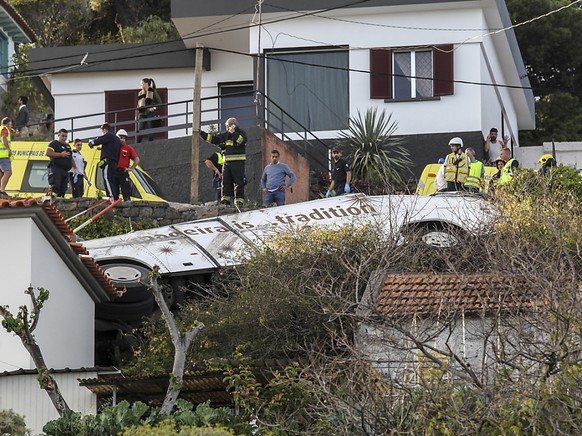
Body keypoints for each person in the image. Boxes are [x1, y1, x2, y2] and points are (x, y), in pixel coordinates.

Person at [200, 117, 247, 206]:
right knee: (226, 182)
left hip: (238, 162)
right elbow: (214, 139)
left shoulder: (241, 133)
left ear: (233, 125)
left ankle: (239, 201)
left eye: (227, 125)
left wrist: (233, 133)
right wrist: (202, 134)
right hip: (227, 163)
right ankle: (225, 200)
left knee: (238, 182)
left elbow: (242, 141)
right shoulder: (225, 135)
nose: (226, 127)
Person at [89, 123, 122, 200]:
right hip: (115, 162)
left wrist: (91, 143)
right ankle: (115, 196)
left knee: (107, 178)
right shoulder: (117, 139)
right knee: (113, 180)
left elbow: (98, 140)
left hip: (108, 161)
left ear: (105, 129)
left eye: (102, 131)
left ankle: (111, 196)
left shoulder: (109, 135)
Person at [46, 128, 73, 197]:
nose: (64, 138)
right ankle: (53, 200)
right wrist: (60, 154)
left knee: (63, 188)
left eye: (65, 136)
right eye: (62, 136)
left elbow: (70, 157)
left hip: (65, 170)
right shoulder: (54, 143)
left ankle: (61, 198)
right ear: (58, 135)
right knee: (55, 186)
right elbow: (48, 153)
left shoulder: (67, 146)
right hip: (56, 168)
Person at [114, 129, 140, 201]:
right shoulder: (113, 147)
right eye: (120, 137)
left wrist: (132, 168)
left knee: (126, 191)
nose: (122, 140)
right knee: (114, 192)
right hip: (114, 171)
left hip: (123, 172)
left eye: (123, 138)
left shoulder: (128, 148)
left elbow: (137, 159)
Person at [136, 78, 162, 143]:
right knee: (140, 129)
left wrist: (154, 108)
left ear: (146, 84)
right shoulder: (140, 93)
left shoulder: (153, 92)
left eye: (142, 83)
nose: (141, 85)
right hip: (142, 113)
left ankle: (151, 142)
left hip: (150, 113)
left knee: (150, 128)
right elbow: (138, 104)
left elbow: (160, 103)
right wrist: (136, 114)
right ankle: (138, 143)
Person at [0, 117, 13, 198]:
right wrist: (8, 149)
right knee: (8, 172)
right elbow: (3, 139)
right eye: (11, 124)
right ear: (8, 123)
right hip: (3, 155)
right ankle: (2, 190)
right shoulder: (4, 129)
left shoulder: (1, 128)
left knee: (1, 173)